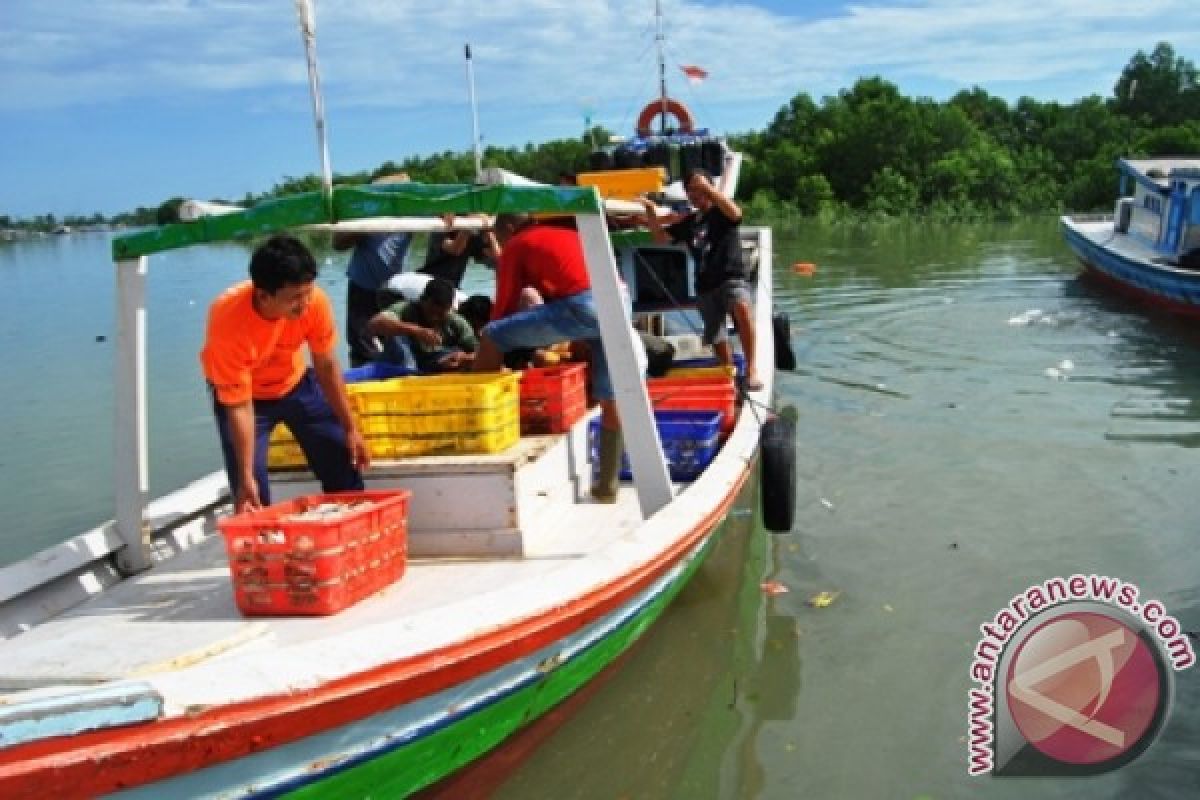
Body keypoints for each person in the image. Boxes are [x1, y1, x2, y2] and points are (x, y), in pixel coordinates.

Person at [201, 234, 369, 513]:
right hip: (247, 400)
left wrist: (350, 428)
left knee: (341, 454)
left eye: (307, 293)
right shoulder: (227, 322)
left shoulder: (315, 302)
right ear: (263, 295)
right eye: (294, 299)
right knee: (250, 485)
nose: (304, 305)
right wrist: (245, 476)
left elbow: (326, 364)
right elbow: (239, 406)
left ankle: (351, 525)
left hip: (295, 384)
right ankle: (262, 541)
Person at [472, 213, 624, 502]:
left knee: (491, 335)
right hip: (617, 300)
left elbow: (503, 307)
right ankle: (607, 487)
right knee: (610, 399)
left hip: (584, 306)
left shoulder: (517, 243)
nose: (499, 244)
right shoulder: (558, 232)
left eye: (497, 235)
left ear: (509, 228)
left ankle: (479, 425)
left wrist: (489, 351)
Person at [641, 167, 762, 390]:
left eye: (699, 189)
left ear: (710, 189)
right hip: (705, 285)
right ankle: (728, 374)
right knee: (715, 333)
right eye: (691, 191)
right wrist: (649, 211)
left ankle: (752, 370)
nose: (695, 195)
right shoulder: (689, 222)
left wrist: (707, 187)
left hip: (731, 277)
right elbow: (660, 238)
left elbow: (736, 214)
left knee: (742, 308)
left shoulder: (722, 212)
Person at [333, 173, 413, 366]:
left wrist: (446, 213)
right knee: (361, 342)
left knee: (395, 341)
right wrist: (362, 227)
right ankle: (362, 379)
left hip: (392, 289)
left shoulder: (410, 213)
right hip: (363, 287)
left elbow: (442, 211)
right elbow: (338, 243)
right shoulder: (366, 215)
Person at [367, 277, 478, 373]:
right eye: (431, 312)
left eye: (440, 314)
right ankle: (409, 374)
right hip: (402, 363)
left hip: (435, 363)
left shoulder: (456, 323)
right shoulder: (406, 309)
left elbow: (478, 352)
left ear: (449, 309)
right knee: (397, 337)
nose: (434, 317)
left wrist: (465, 358)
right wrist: (417, 331)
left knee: (457, 353)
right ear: (422, 300)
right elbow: (374, 324)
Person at [420, 213, 500, 288]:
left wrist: (488, 230)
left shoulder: (473, 236)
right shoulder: (441, 225)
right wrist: (468, 226)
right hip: (427, 282)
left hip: (450, 287)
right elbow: (455, 249)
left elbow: (498, 257)